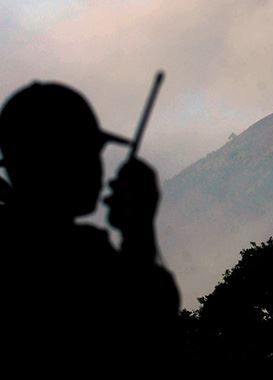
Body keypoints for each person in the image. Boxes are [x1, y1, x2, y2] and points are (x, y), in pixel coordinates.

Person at [0, 82, 179, 370]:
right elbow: (146, 330)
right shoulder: (78, 256)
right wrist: (138, 228)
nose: (98, 168)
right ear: (62, 159)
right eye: (90, 152)